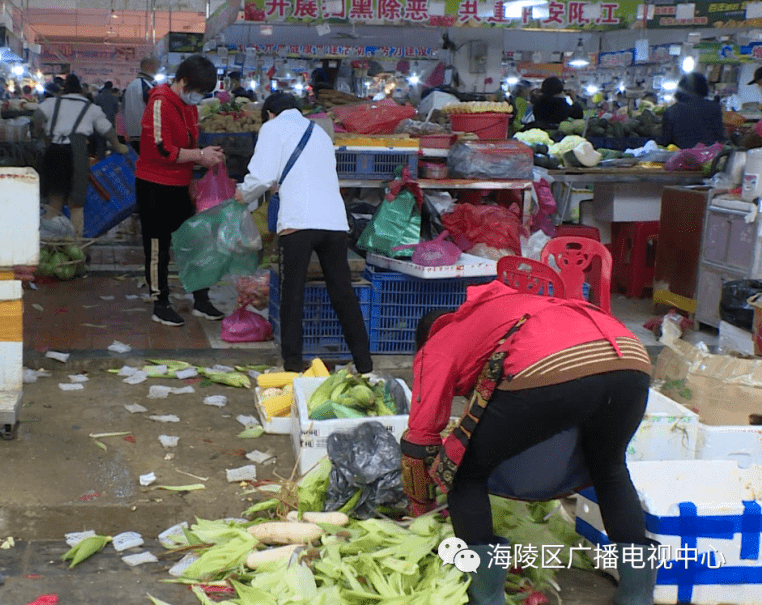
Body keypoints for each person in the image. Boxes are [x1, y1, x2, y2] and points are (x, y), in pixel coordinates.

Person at [400, 282, 656, 605]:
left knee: (463, 471)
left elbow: (420, 439)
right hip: (630, 357)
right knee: (610, 469)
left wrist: (420, 508)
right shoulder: (500, 311)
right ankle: (637, 594)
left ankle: (486, 596)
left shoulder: (439, 343)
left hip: (553, 363)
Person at [234, 93, 372, 374]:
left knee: (292, 296)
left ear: (270, 113)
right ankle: (365, 364)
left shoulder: (272, 127)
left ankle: (293, 367)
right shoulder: (319, 132)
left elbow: (261, 177)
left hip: (298, 222)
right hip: (333, 222)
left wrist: (242, 193)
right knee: (343, 294)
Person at [134, 55, 226, 327]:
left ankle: (201, 298)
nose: (198, 98)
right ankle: (160, 302)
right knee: (157, 246)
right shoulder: (160, 101)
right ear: (183, 82)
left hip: (180, 183)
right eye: (198, 91)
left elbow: (187, 143)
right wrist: (199, 155)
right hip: (154, 184)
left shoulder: (188, 107)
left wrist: (196, 168)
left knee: (195, 241)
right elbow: (161, 149)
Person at [34, 74, 128, 236]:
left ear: (64, 89)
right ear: (81, 91)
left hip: (54, 150)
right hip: (77, 151)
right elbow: (107, 130)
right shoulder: (89, 107)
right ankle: (76, 243)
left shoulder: (52, 102)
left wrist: (40, 135)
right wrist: (119, 146)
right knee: (76, 202)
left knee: (55, 197)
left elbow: (36, 117)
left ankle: (49, 240)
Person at [659, 72, 725, 149]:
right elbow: (719, 138)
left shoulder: (670, 111)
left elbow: (666, 142)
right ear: (704, 88)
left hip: (678, 158)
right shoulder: (715, 108)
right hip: (708, 158)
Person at [123, 56, 161, 154]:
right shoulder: (147, 86)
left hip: (133, 134)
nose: (159, 68)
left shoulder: (131, 85)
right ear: (148, 66)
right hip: (146, 135)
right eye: (157, 66)